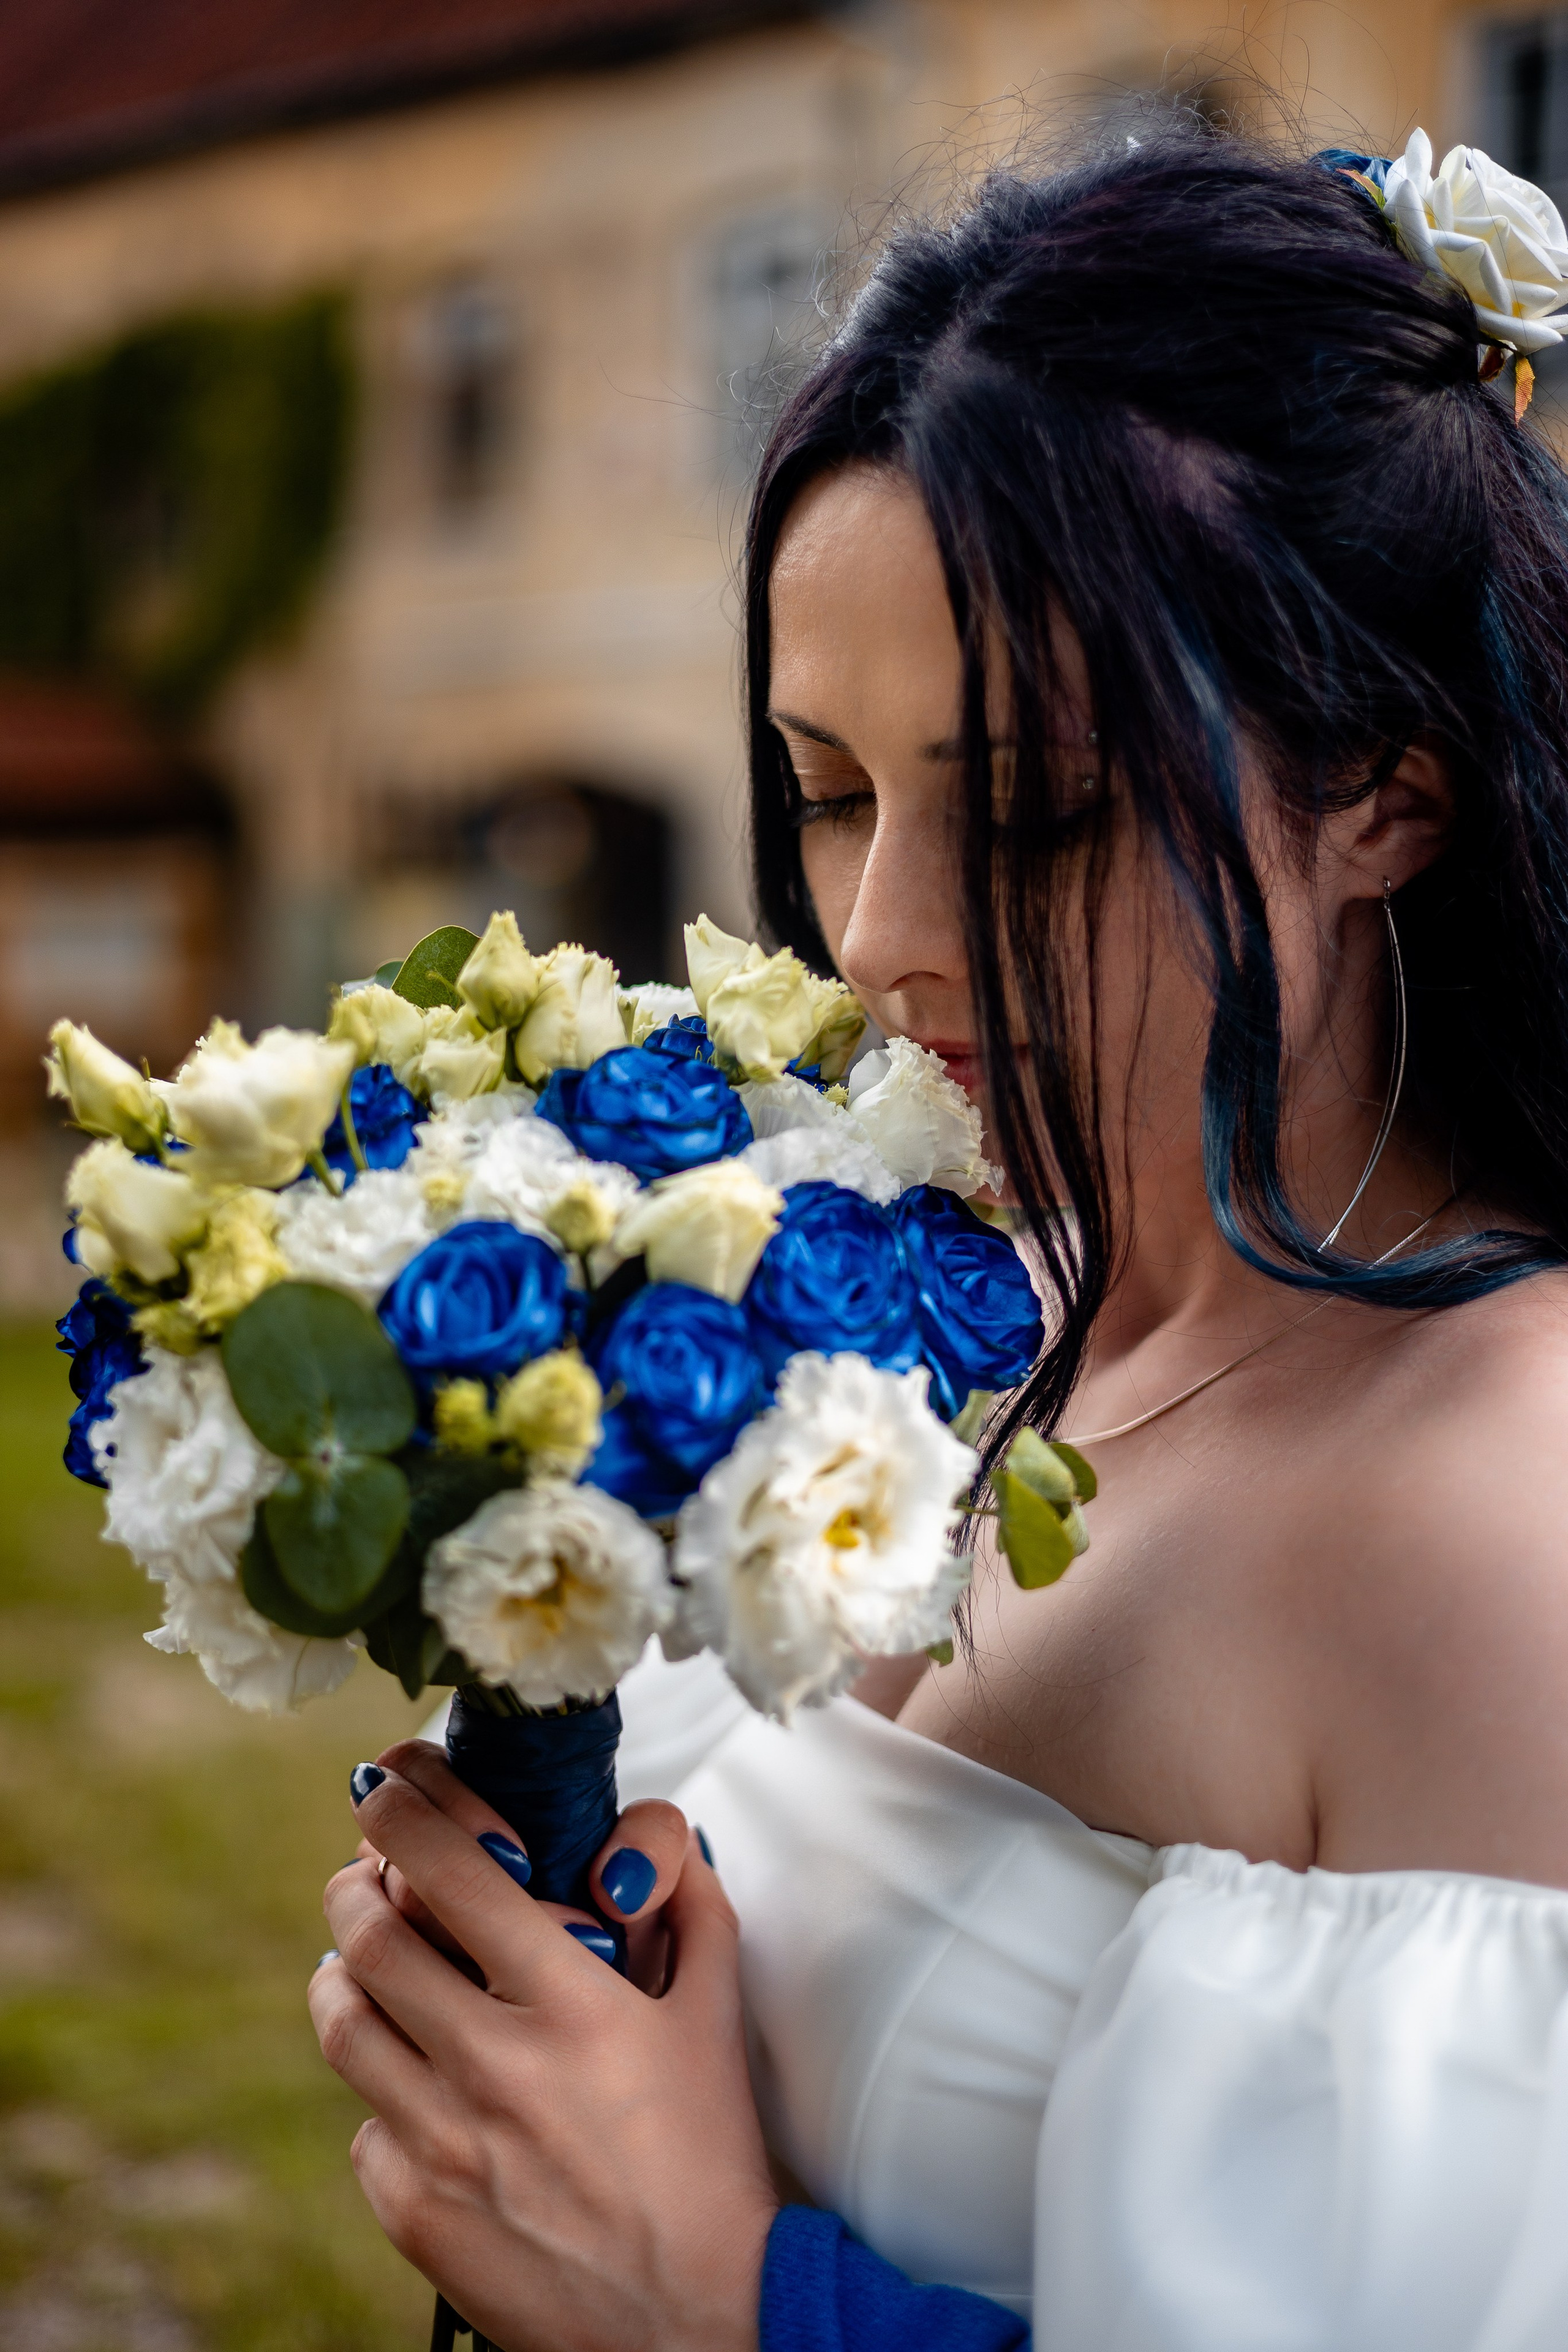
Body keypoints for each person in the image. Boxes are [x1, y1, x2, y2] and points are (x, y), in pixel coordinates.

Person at [309, 119, 1568, 2349]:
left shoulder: (1497, 1529)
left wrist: (723, 2301)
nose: (880, 938)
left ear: (1393, 787)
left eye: (1037, 808)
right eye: (827, 790)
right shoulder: (924, 1301)